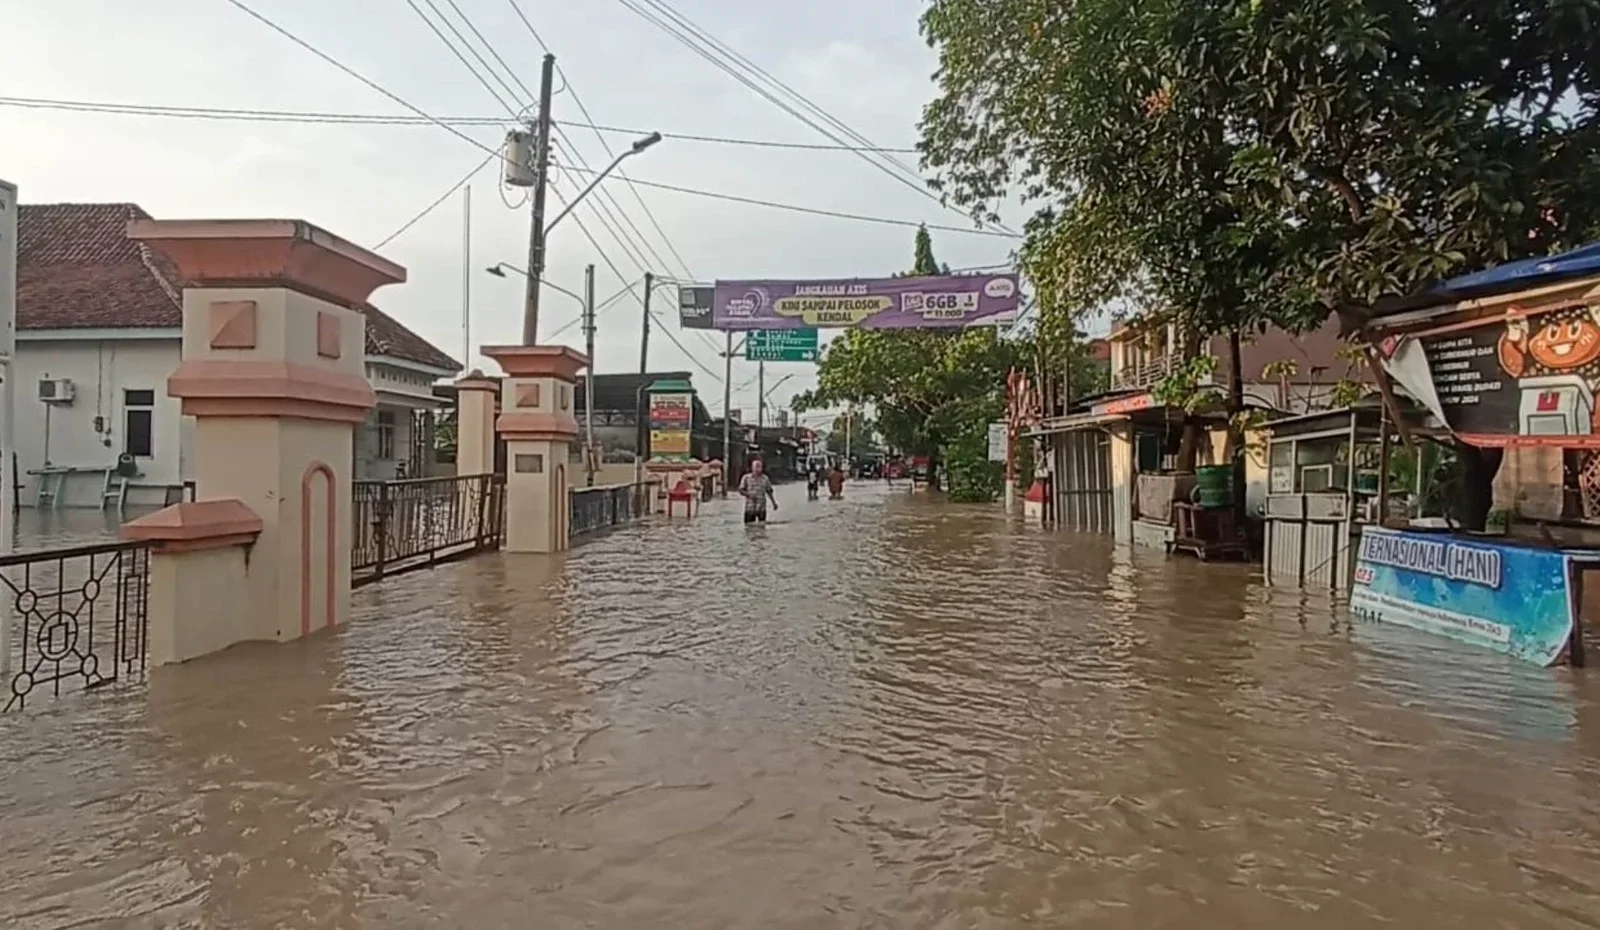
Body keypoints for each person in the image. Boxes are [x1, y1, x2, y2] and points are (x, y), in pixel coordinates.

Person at [739, 458, 778, 524]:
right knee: (749, 526)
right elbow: (740, 490)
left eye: (759, 466)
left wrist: (774, 503)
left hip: (761, 507)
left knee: (762, 526)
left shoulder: (765, 478)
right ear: (752, 467)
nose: (757, 468)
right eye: (756, 466)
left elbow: (769, 491)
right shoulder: (746, 477)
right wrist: (748, 495)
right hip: (750, 507)